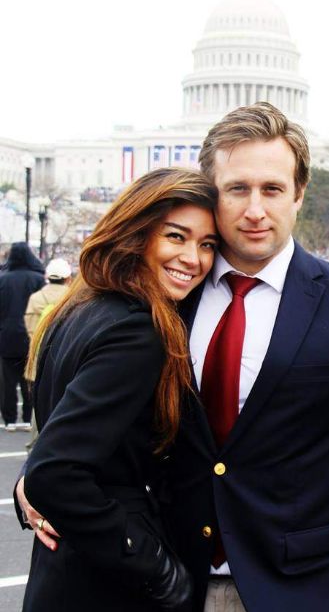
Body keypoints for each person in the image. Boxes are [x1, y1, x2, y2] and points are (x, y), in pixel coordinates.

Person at [18, 104, 329, 612]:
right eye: (237, 189)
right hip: (166, 585)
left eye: (272, 189)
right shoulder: (165, 299)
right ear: (212, 192)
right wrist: (34, 477)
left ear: (299, 193)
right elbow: (95, 420)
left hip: (306, 589)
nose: (255, 210)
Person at [15, 168, 218, 612]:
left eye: (207, 244)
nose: (194, 258)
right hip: (107, 578)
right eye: (176, 236)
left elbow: (54, 443)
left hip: (64, 567)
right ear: (137, 232)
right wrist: (158, 568)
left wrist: (27, 484)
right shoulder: (137, 330)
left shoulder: (79, 308)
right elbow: (56, 470)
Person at [23, 257, 72, 451]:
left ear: (47, 276)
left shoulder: (36, 298)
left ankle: (36, 447)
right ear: (68, 277)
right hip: (67, 358)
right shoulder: (75, 298)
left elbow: (30, 330)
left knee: (39, 406)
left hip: (40, 357)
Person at [0, 242, 45, 431]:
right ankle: (28, 417)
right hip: (31, 335)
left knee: (7, 382)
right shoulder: (38, 279)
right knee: (30, 379)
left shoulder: (3, 279)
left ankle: (10, 419)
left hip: (6, 335)